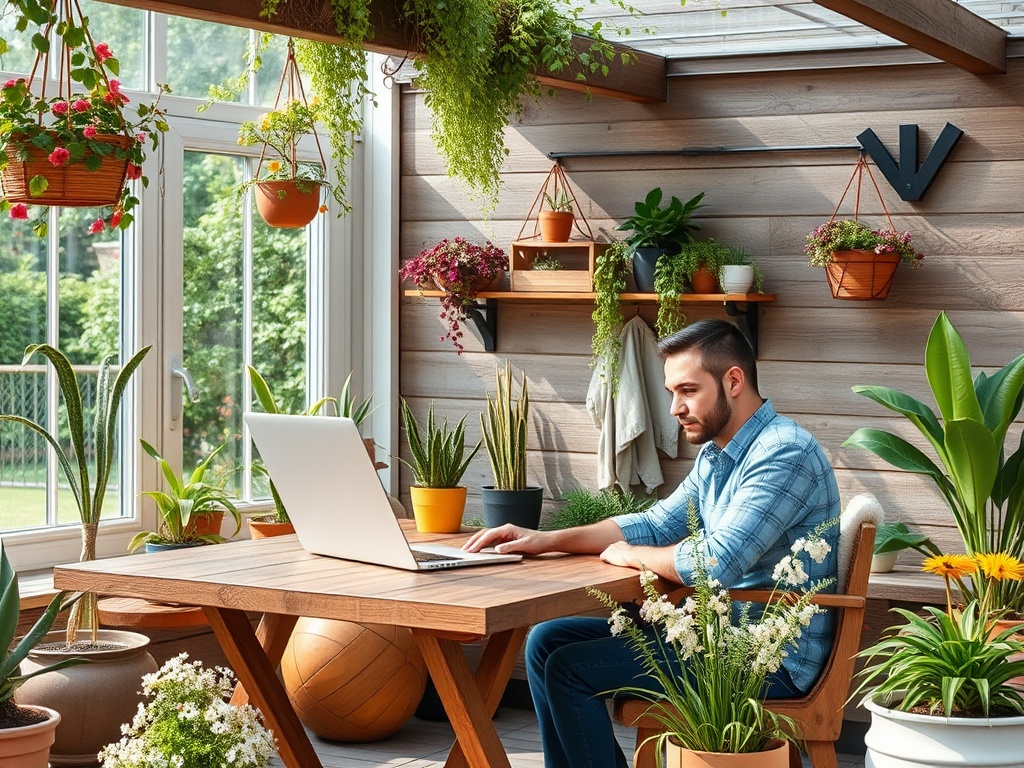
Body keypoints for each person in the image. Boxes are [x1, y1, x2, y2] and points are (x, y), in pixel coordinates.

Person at [462, 319, 841, 768]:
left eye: (688, 390)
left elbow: (715, 565)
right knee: (545, 641)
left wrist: (632, 557)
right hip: (720, 639)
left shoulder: (782, 452)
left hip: (767, 658)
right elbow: (655, 523)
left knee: (569, 669)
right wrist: (544, 540)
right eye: (671, 394)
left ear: (733, 381)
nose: (676, 408)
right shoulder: (718, 455)